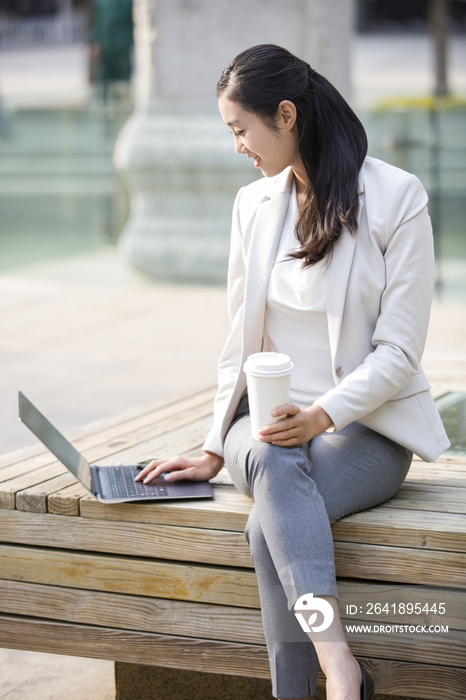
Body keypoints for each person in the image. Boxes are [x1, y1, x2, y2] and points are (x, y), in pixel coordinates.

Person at [136, 44, 450, 700]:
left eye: (240, 129)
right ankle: (340, 669)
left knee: (266, 523)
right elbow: (238, 345)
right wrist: (212, 445)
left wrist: (320, 415)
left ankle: (299, 688)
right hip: (267, 428)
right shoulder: (253, 208)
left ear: (285, 115)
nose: (237, 147)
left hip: (364, 428)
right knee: (276, 456)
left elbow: (398, 354)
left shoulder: (396, 197)